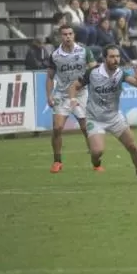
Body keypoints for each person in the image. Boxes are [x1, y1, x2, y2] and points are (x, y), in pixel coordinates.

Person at [67, 45, 137, 180]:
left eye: (117, 56)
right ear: (104, 58)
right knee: (97, 151)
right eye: (112, 57)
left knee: (133, 147)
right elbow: (74, 86)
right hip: (95, 119)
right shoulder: (93, 72)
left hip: (115, 118)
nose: (116, 60)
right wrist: (73, 99)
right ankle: (96, 161)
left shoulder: (120, 73)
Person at [46, 26, 97, 173]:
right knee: (57, 128)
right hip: (62, 95)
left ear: (74, 35)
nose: (68, 36)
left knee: (86, 128)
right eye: (64, 34)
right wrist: (49, 95)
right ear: (60, 36)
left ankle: (96, 162)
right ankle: (57, 162)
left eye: (70, 34)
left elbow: (93, 69)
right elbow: (49, 76)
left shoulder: (84, 51)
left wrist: (84, 82)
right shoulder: (55, 55)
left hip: (81, 93)